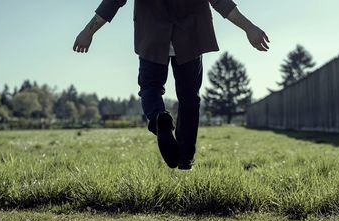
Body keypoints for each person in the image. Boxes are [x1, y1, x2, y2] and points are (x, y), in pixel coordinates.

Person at [73, 0, 269, 170]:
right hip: (190, 35)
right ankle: (185, 156)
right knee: (189, 97)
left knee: (150, 88)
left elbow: (114, 1)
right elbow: (220, 1)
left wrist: (88, 31)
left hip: (152, 37)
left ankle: (159, 119)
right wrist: (249, 28)